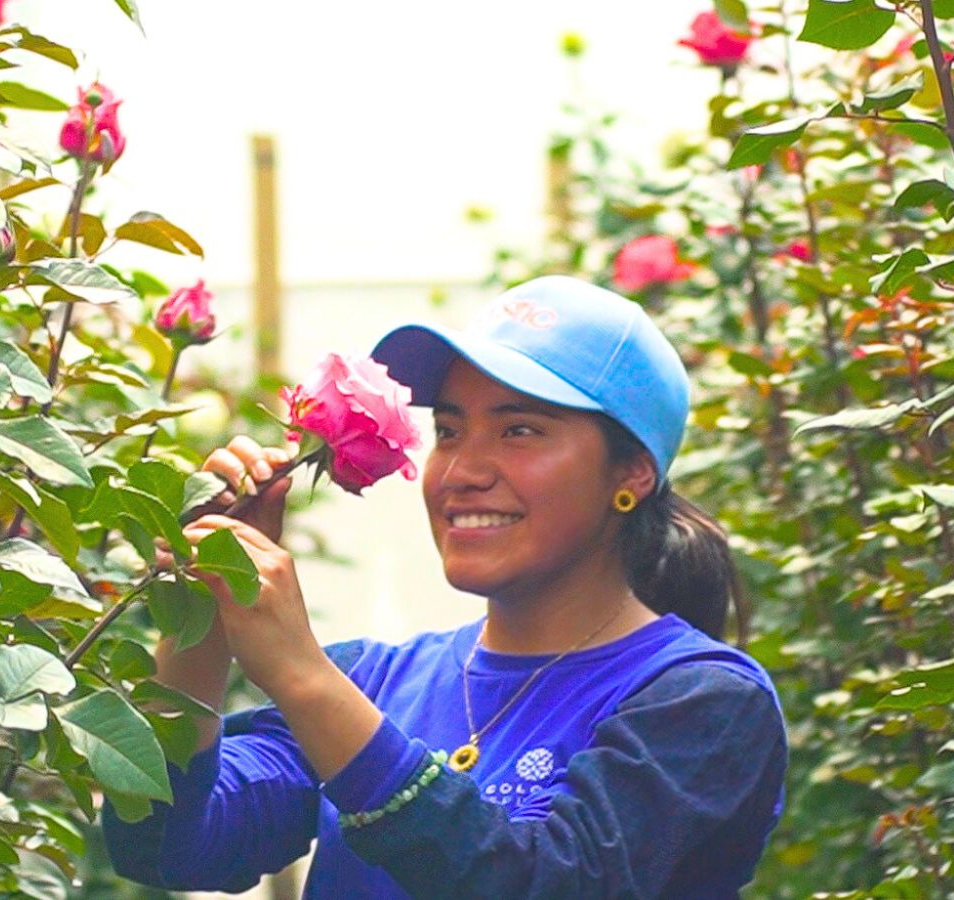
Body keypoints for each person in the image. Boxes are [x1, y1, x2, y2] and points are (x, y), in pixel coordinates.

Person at [102, 275, 789, 898]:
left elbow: (546, 885)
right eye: (450, 430)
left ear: (632, 473)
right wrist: (203, 606)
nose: (462, 469)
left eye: (520, 429)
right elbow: (165, 849)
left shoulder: (704, 700)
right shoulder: (371, 681)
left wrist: (304, 676)